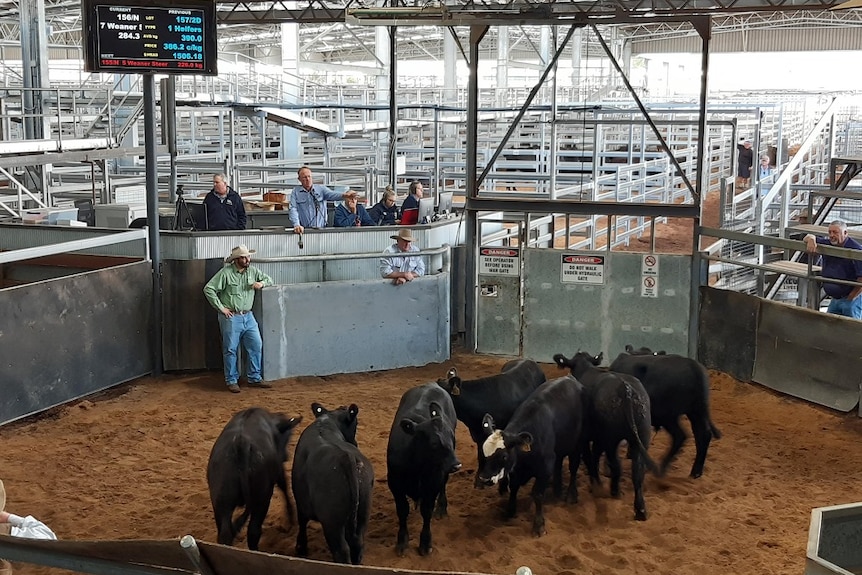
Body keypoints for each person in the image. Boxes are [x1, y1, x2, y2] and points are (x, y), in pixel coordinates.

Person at [203, 245, 274, 393]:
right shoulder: (225, 273)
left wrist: (261, 283)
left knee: (256, 345)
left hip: (248, 315)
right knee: (230, 349)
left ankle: (254, 377)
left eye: (247, 256)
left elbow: (269, 279)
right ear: (236, 260)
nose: (247, 259)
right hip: (231, 316)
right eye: (243, 257)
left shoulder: (253, 271)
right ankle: (232, 380)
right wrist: (221, 308)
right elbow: (208, 289)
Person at [803, 220, 862, 319]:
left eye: (835, 232)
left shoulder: (856, 250)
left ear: (845, 233)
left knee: (852, 329)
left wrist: (851, 298)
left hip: (850, 299)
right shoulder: (829, 243)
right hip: (835, 298)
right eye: (830, 232)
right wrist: (811, 240)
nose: (831, 235)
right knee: (830, 325)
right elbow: (807, 236)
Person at [288, 166, 357, 234]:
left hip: (322, 230)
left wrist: (345, 195)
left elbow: (332, 194)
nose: (308, 179)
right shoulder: (295, 192)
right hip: (305, 230)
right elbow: (293, 209)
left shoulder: (321, 189)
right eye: (304, 177)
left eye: (309, 176)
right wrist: (296, 225)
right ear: (299, 179)